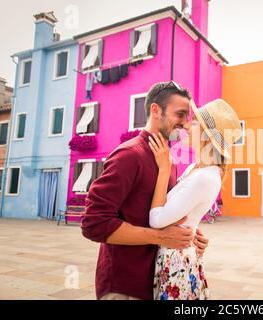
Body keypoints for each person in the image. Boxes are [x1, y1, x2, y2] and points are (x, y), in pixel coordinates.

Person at [81, 81, 210, 300]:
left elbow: (164, 212)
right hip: (124, 287)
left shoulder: (168, 161)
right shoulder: (128, 155)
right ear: (155, 110)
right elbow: (93, 224)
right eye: (179, 114)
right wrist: (160, 236)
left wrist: (189, 234)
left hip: (156, 282)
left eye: (186, 117)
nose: (184, 124)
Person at [148, 98, 242, 300]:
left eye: (194, 122)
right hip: (175, 257)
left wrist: (164, 169)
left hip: (177, 265)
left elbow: (156, 220)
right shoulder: (195, 169)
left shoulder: (205, 177)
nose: (187, 125)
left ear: (207, 136)